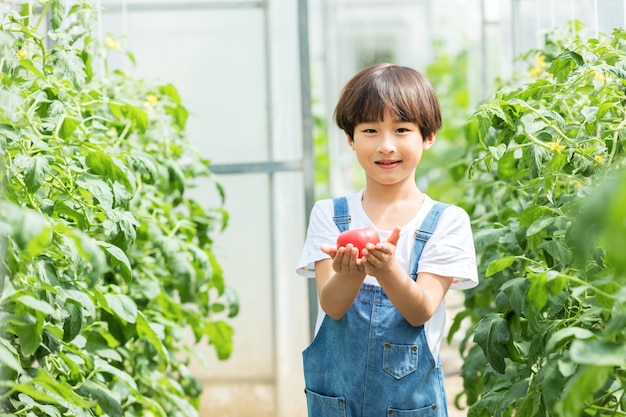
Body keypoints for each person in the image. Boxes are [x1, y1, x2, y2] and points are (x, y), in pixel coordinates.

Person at [296, 63, 479, 417]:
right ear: (349, 138)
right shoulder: (330, 216)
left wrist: (387, 271)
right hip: (336, 404)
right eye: (369, 130)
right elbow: (332, 307)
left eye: (401, 129)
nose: (386, 145)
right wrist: (351, 271)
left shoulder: (446, 221)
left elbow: (421, 309)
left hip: (410, 406)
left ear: (428, 136)